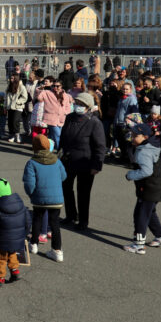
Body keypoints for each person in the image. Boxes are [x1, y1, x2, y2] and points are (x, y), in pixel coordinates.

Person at [58, 92, 106, 231]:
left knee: (83, 193)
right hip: (68, 160)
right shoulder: (70, 118)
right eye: (76, 103)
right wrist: (59, 154)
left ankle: (83, 221)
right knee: (66, 188)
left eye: (81, 104)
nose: (77, 106)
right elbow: (63, 138)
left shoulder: (94, 122)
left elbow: (100, 146)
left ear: (88, 107)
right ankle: (71, 215)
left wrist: (97, 165)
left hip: (86, 162)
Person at [124, 124, 161, 254]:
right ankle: (160, 236)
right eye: (131, 135)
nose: (132, 137)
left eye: (135, 136)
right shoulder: (149, 146)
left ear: (144, 136)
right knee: (150, 212)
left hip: (149, 188)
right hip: (155, 187)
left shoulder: (144, 151)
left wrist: (130, 175)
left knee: (140, 215)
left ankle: (138, 245)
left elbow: (147, 171)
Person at [23, 135, 66, 262]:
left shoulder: (31, 162)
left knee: (37, 219)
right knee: (55, 223)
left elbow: (29, 183)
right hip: (56, 198)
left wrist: (31, 194)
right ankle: (57, 251)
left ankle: (33, 244)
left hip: (39, 197)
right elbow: (64, 176)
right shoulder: (57, 161)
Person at [0, 178, 30, 286]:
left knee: (0, 258)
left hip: (2, 241)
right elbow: (28, 222)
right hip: (17, 239)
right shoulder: (22, 207)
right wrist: (23, 234)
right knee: (12, 254)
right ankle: (15, 272)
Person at [36, 78, 73, 148]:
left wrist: (66, 113)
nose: (55, 87)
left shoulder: (65, 95)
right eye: (53, 86)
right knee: (57, 135)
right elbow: (39, 98)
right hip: (51, 118)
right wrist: (40, 90)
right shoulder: (47, 92)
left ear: (61, 86)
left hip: (62, 118)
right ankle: (60, 151)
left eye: (57, 86)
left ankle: (49, 149)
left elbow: (68, 106)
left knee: (53, 136)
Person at [5, 74, 28, 144]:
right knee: (10, 122)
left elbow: (25, 97)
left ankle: (18, 135)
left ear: (16, 79)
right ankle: (12, 135)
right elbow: (6, 97)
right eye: (10, 78)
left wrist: (18, 102)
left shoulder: (21, 87)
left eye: (12, 78)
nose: (10, 80)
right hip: (10, 106)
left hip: (18, 107)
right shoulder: (9, 86)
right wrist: (5, 106)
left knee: (15, 121)